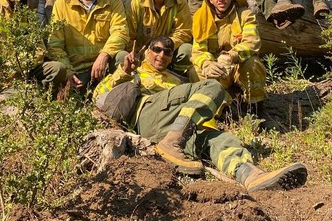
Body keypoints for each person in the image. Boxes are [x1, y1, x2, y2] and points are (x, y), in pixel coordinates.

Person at [93, 35, 308, 192]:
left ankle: (251, 176)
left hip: (169, 132)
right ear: (147, 51)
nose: (161, 55)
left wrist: (207, 128)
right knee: (214, 87)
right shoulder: (135, 72)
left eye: (167, 52)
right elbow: (98, 96)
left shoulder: (177, 80)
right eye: (156, 49)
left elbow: (194, 108)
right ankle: (172, 142)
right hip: (146, 115)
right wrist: (123, 72)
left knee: (219, 139)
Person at [46, 0, 130, 93]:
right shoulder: (61, 4)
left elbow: (120, 32)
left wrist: (104, 55)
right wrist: (68, 71)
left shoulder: (113, 0)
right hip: (75, 69)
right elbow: (54, 44)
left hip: (103, 67)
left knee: (122, 57)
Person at [190, 0, 267, 105]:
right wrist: (207, 64)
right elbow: (198, 50)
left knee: (253, 63)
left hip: (238, 68)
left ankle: (256, 106)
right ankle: (220, 107)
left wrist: (231, 56)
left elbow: (252, 42)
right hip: (216, 69)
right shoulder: (200, 18)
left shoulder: (245, 15)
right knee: (194, 71)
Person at [119, 0, 193, 77]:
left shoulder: (179, 1)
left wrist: (162, 49)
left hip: (167, 54)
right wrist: (143, 54)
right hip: (141, 56)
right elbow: (128, 35)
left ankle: (177, 76)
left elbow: (184, 31)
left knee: (187, 50)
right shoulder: (136, 2)